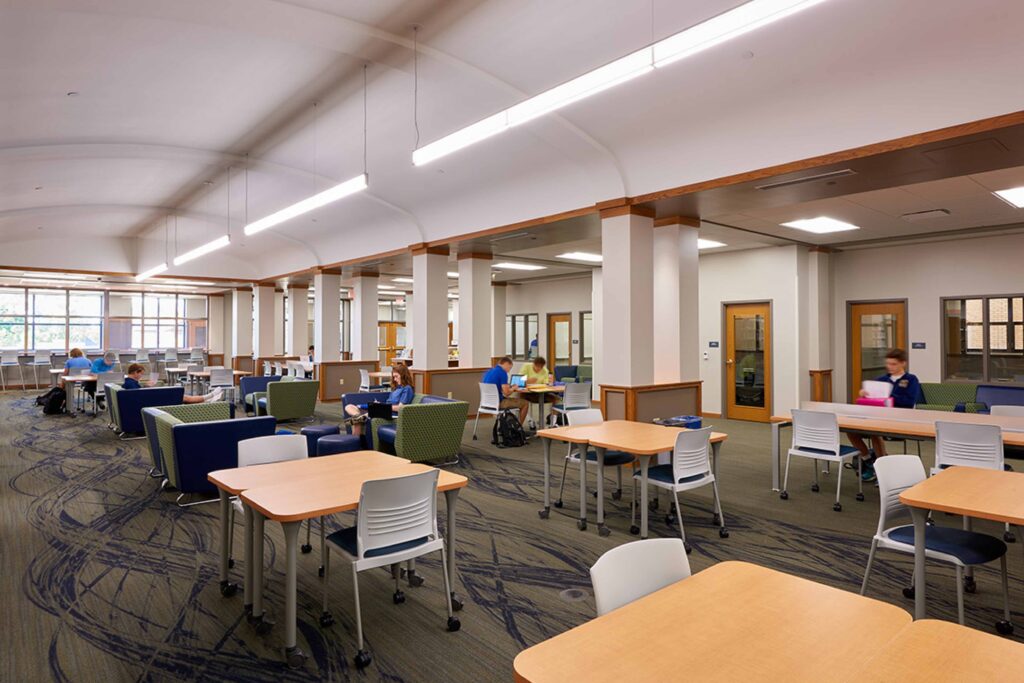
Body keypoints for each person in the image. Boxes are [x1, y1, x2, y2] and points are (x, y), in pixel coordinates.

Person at [847, 348, 921, 482]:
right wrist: (864, 393)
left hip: (900, 418)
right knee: (851, 431)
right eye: (888, 364)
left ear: (902, 363)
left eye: (893, 364)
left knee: (875, 432)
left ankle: (882, 468)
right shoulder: (881, 380)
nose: (890, 367)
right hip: (879, 416)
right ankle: (868, 460)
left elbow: (909, 402)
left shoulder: (911, 380)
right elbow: (871, 400)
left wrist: (889, 395)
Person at [344, 364, 414, 436]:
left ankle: (358, 424)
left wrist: (382, 406)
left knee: (357, 421)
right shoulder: (396, 388)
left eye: (396, 377)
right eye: (394, 377)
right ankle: (359, 417)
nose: (395, 379)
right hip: (384, 409)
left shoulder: (407, 389)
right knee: (349, 407)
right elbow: (388, 402)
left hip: (392, 414)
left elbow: (400, 408)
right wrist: (380, 404)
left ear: (403, 376)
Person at [123, 363, 222, 403]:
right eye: (141, 374)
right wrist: (148, 388)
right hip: (152, 400)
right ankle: (210, 396)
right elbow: (138, 396)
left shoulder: (129, 382)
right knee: (184, 397)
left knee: (183, 396)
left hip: (150, 398)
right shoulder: (131, 384)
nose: (141, 376)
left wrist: (146, 386)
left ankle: (208, 398)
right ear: (136, 372)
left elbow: (138, 393)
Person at [483, 356, 529, 425]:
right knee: (525, 403)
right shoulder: (502, 373)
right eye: (510, 368)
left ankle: (508, 426)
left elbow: (496, 386)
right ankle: (519, 427)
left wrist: (509, 387)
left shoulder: (489, 371)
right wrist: (513, 388)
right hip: (498, 403)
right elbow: (506, 393)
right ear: (506, 363)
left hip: (486, 402)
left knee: (512, 400)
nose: (509, 370)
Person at [520, 356, 553, 429]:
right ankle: (528, 420)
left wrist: (548, 382)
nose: (539, 369)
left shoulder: (545, 370)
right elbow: (519, 379)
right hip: (527, 393)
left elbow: (546, 381)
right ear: (533, 364)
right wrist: (527, 380)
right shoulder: (526, 366)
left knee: (557, 400)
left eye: (541, 367)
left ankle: (553, 422)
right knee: (522, 402)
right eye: (537, 366)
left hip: (541, 393)